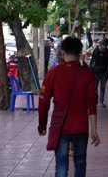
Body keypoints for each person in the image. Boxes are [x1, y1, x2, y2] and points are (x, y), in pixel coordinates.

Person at [38, 37, 100, 177]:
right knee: (80, 162)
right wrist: (94, 130)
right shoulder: (88, 74)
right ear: (80, 52)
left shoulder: (53, 73)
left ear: (63, 52)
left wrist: (41, 126)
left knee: (61, 163)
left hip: (60, 125)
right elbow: (92, 104)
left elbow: (43, 102)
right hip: (81, 126)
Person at [90, 39, 108, 107]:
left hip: (104, 73)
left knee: (103, 88)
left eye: (106, 46)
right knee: (95, 88)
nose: (105, 47)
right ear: (100, 45)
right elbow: (92, 61)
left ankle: (101, 102)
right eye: (104, 46)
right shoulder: (96, 51)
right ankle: (95, 100)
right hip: (96, 73)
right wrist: (91, 70)